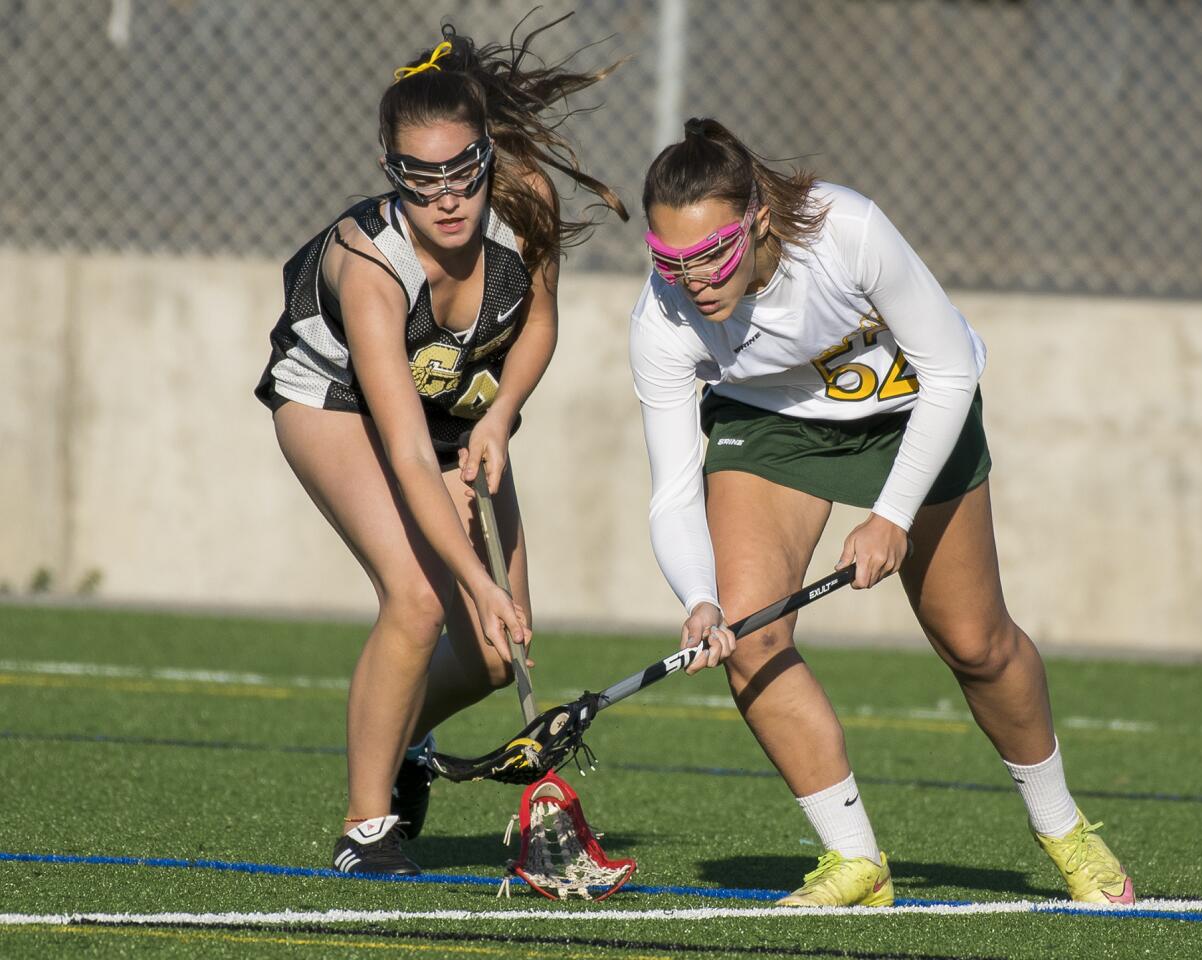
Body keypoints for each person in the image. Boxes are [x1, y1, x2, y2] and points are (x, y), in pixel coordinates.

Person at [628, 118, 1133, 907]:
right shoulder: (662, 318)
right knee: (749, 636)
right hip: (773, 428)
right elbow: (670, 488)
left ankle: (1064, 829)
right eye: (669, 260)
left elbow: (950, 370)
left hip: (914, 408)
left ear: (756, 218)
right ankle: (854, 862)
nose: (692, 280)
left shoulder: (845, 230)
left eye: (711, 254)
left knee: (976, 645)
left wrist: (891, 514)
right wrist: (698, 598)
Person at [255, 18, 625, 876]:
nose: (447, 198)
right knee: (421, 601)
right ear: (391, 175)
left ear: (486, 156)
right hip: (337, 401)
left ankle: (400, 745)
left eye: (461, 171)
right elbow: (410, 456)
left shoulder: (523, 199)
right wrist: (470, 577)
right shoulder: (371, 271)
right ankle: (365, 827)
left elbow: (538, 326)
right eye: (420, 181)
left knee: (499, 655)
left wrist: (500, 419)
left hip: (461, 405)